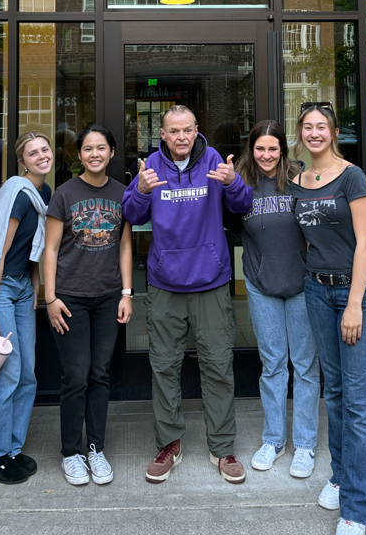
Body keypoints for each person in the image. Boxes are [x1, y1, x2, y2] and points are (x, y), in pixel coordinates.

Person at [122, 104, 253, 485]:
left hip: (210, 282)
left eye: (187, 130)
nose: (181, 137)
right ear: (161, 134)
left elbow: (243, 205)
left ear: (197, 130)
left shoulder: (214, 161)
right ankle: (169, 445)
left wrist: (232, 183)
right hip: (164, 284)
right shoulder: (150, 167)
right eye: (173, 131)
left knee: (218, 366)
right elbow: (130, 215)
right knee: (164, 367)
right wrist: (142, 192)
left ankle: (222, 447)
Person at [291, 103, 366, 535]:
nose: (314, 133)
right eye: (307, 127)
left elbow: (364, 244)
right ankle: (340, 475)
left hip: (355, 294)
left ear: (333, 131)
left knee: (359, 401)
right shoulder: (299, 181)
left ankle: (358, 506)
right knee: (336, 394)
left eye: (321, 127)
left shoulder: (352, 177)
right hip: (315, 290)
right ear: (300, 133)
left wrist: (352, 302)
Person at [44, 124, 133, 486]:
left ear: (112, 153)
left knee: (99, 373)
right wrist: (50, 297)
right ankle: (71, 452)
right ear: (78, 155)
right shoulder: (64, 194)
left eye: (102, 148)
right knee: (75, 375)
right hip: (70, 298)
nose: (95, 154)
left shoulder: (123, 194)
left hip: (109, 295)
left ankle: (95, 447)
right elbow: (49, 249)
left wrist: (128, 293)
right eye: (87, 149)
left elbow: (125, 246)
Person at [235, 119, 320, 478]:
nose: (266, 155)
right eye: (260, 149)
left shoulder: (302, 179)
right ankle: (273, 440)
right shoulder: (239, 184)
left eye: (273, 148)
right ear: (251, 150)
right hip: (260, 284)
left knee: (304, 366)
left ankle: (304, 444)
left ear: (282, 150)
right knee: (272, 366)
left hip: (302, 283)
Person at [0, 131, 53, 485]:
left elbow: (34, 247)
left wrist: (34, 289)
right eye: (32, 153)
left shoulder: (43, 193)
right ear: (22, 161)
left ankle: (12, 449)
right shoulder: (18, 193)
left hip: (20, 287)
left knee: (27, 372)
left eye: (45, 149)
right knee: (5, 373)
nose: (41, 156)